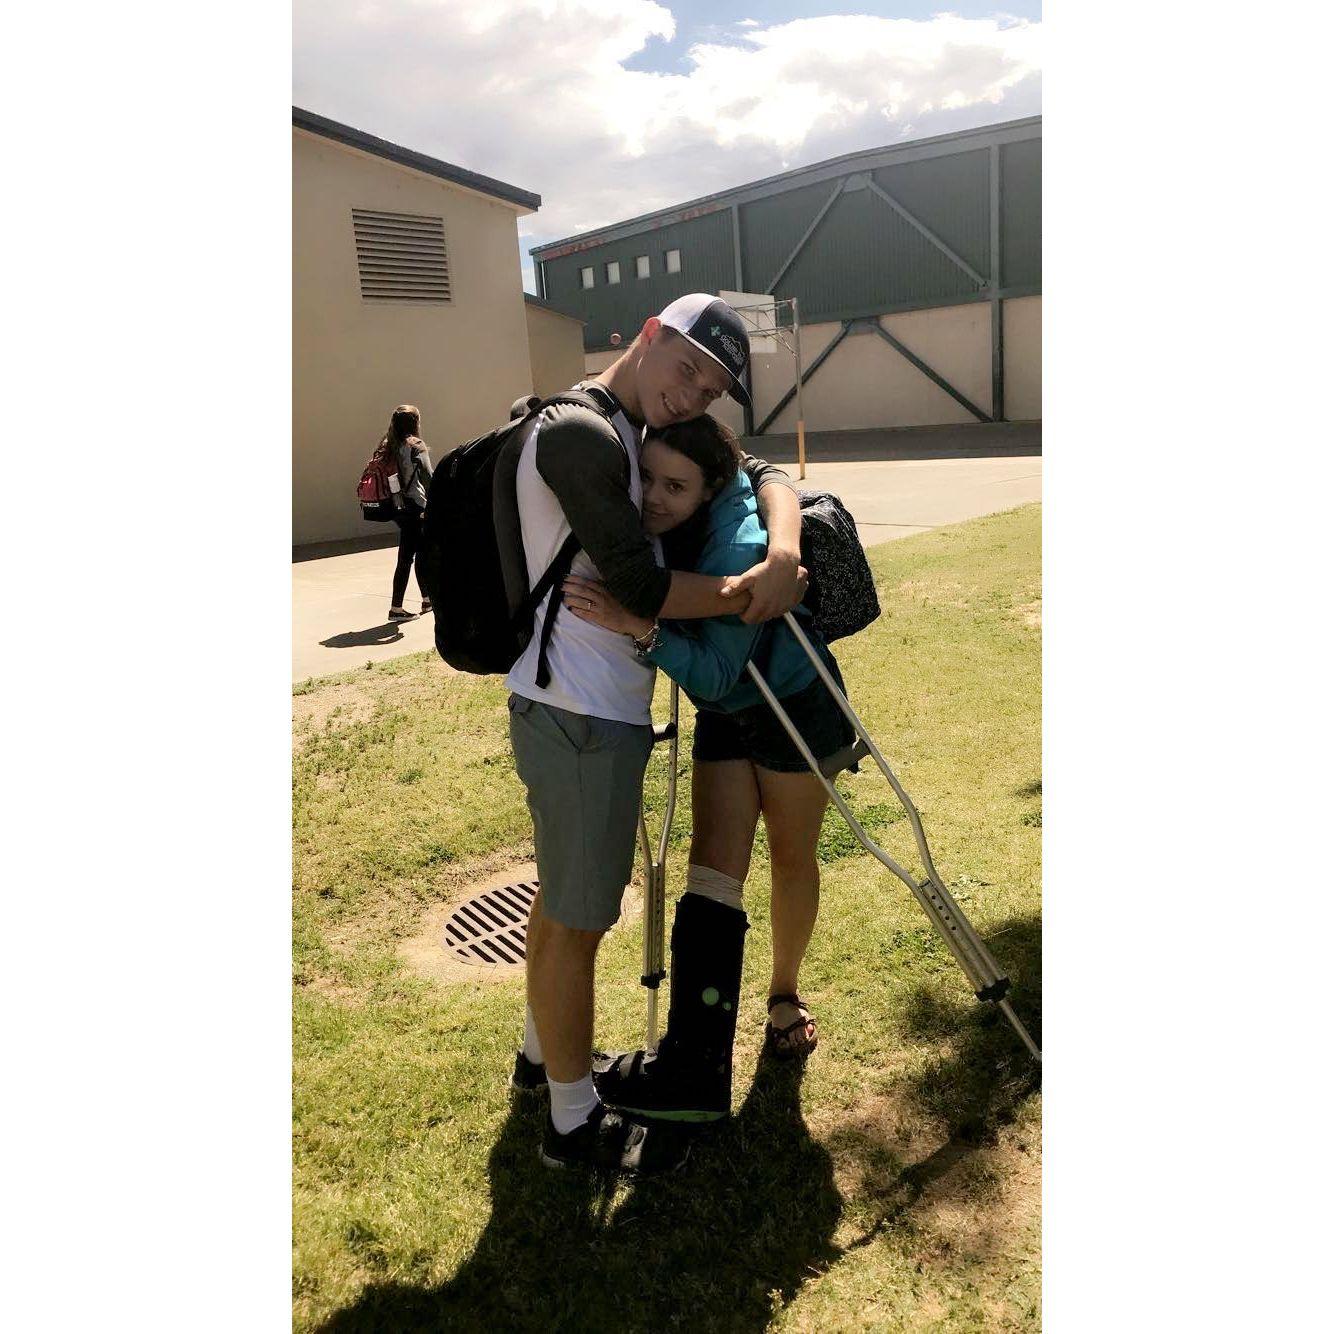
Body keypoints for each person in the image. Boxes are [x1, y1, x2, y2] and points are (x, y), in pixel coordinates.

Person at [501, 294, 805, 1175]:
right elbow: (638, 586)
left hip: (586, 708)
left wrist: (783, 545)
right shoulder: (583, 435)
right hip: (582, 712)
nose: (692, 393)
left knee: (562, 899)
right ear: (647, 335)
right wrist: (749, 590)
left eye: (709, 390)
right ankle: (571, 1122)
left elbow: (757, 469)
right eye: (686, 369)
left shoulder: (631, 430)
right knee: (579, 919)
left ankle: (540, 1058)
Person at [561, 412, 858, 1124]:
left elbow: (719, 670)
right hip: (730, 709)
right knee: (712, 869)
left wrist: (641, 628)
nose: (656, 499)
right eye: (649, 480)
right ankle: (694, 1065)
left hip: (792, 706)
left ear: (709, 486)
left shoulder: (737, 543)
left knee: (791, 855)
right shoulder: (688, 505)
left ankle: (783, 995)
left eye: (676, 486)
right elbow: (764, 470)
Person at [380, 404, 433, 621]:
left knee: (416, 552)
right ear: (415, 423)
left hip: (398, 506)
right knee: (411, 557)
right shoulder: (416, 445)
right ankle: (397, 608)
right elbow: (428, 477)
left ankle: (427, 600)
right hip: (416, 506)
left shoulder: (389, 445)